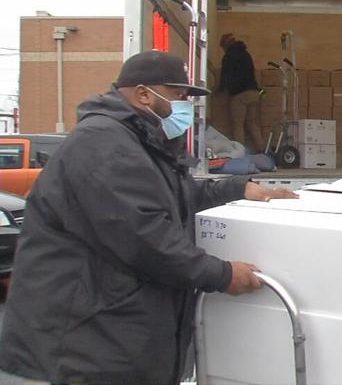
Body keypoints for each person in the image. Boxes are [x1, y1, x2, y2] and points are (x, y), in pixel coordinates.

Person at [0, 51, 297, 385]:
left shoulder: (138, 141)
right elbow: (145, 237)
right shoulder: (105, 145)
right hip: (87, 336)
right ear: (143, 94)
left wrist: (238, 188)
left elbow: (173, 197)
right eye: (177, 95)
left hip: (111, 327)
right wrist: (222, 274)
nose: (184, 105)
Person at [218, 39, 265, 152]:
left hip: (240, 95)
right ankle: (262, 149)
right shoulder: (246, 54)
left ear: (225, 46)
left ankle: (240, 152)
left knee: (238, 125)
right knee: (252, 123)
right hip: (254, 93)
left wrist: (221, 88)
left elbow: (226, 75)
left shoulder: (228, 56)